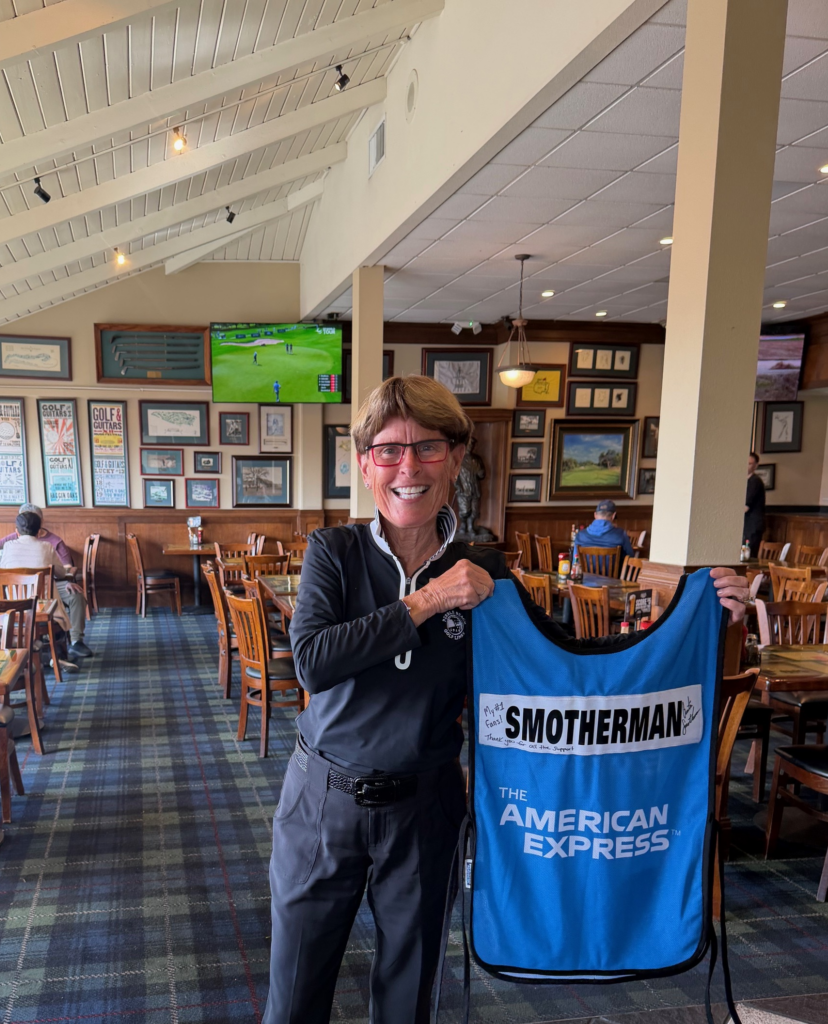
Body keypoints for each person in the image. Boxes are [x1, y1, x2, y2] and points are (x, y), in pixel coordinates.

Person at [264, 375, 748, 1024]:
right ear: (365, 464)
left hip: (426, 810)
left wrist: (707, 615)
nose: (408, 467)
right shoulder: (336, 551)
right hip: (321, 802)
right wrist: (430, 599)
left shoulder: (486, 570)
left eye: (428, 448)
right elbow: (314, 663)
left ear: (457, 459)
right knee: (294, 996)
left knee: (408, 1000)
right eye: (388, 450)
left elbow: (565, 674)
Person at [0, 503, 93, 658]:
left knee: (75, 595)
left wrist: (68, 580)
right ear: (38, 530)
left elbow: (67, 569)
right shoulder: (44, 546)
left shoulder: (18, 545)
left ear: (17, 530)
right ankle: (47, 642)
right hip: (44, 596)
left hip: (19, 599)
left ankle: (74, 641)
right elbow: (60, 571)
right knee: (69, 595)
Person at [744, 451, 766, 555]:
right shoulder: (744, 481)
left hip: (752, 527)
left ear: (756, 465)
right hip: (746, 525)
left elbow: (746, 506)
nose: (746, 466)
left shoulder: (755, 481)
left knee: (749, 555)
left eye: (750, 463)